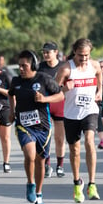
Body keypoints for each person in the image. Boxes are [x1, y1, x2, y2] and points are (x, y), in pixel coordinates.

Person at [8, 50, 64, 204]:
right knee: (29, 154)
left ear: (32, 64)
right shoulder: (16, 81)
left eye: (24, 65)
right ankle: (30, 183)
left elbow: (60, 96)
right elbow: (11, 95)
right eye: (19, 65)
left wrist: (45, 99)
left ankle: (39, 195)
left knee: (40, 161)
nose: (20, 68)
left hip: (43, 127)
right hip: (23, 125)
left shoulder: (43, 79)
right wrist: (12, 111)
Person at [55, 38, 102, 203]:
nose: (84, 59)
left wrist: (100, 90)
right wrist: (63, 88)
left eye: (87, 55)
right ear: (74, 52)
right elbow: (53, 89)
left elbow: (99, 73)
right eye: (81, 55)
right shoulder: (66, 69)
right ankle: (77, 184)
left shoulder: (94, 65)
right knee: (74, 150)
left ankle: (92, 184)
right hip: (71, 113)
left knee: (90, 141)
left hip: (90, 110)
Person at [37, 41, 66, 178]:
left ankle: (60, 165)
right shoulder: (40, 68)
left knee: (59, 137)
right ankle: (47, 164)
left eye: (48, 51)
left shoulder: (64, 67)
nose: (45, 54)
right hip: (44, 105)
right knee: (45, 137)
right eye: (44, 52)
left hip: (59, 103)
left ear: (56, 52)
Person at [97, 60, 103, 150]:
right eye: (100, 67)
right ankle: (101, 141)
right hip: (100, 104)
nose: (102, 69)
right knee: (100, 117)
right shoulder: (94, 79)